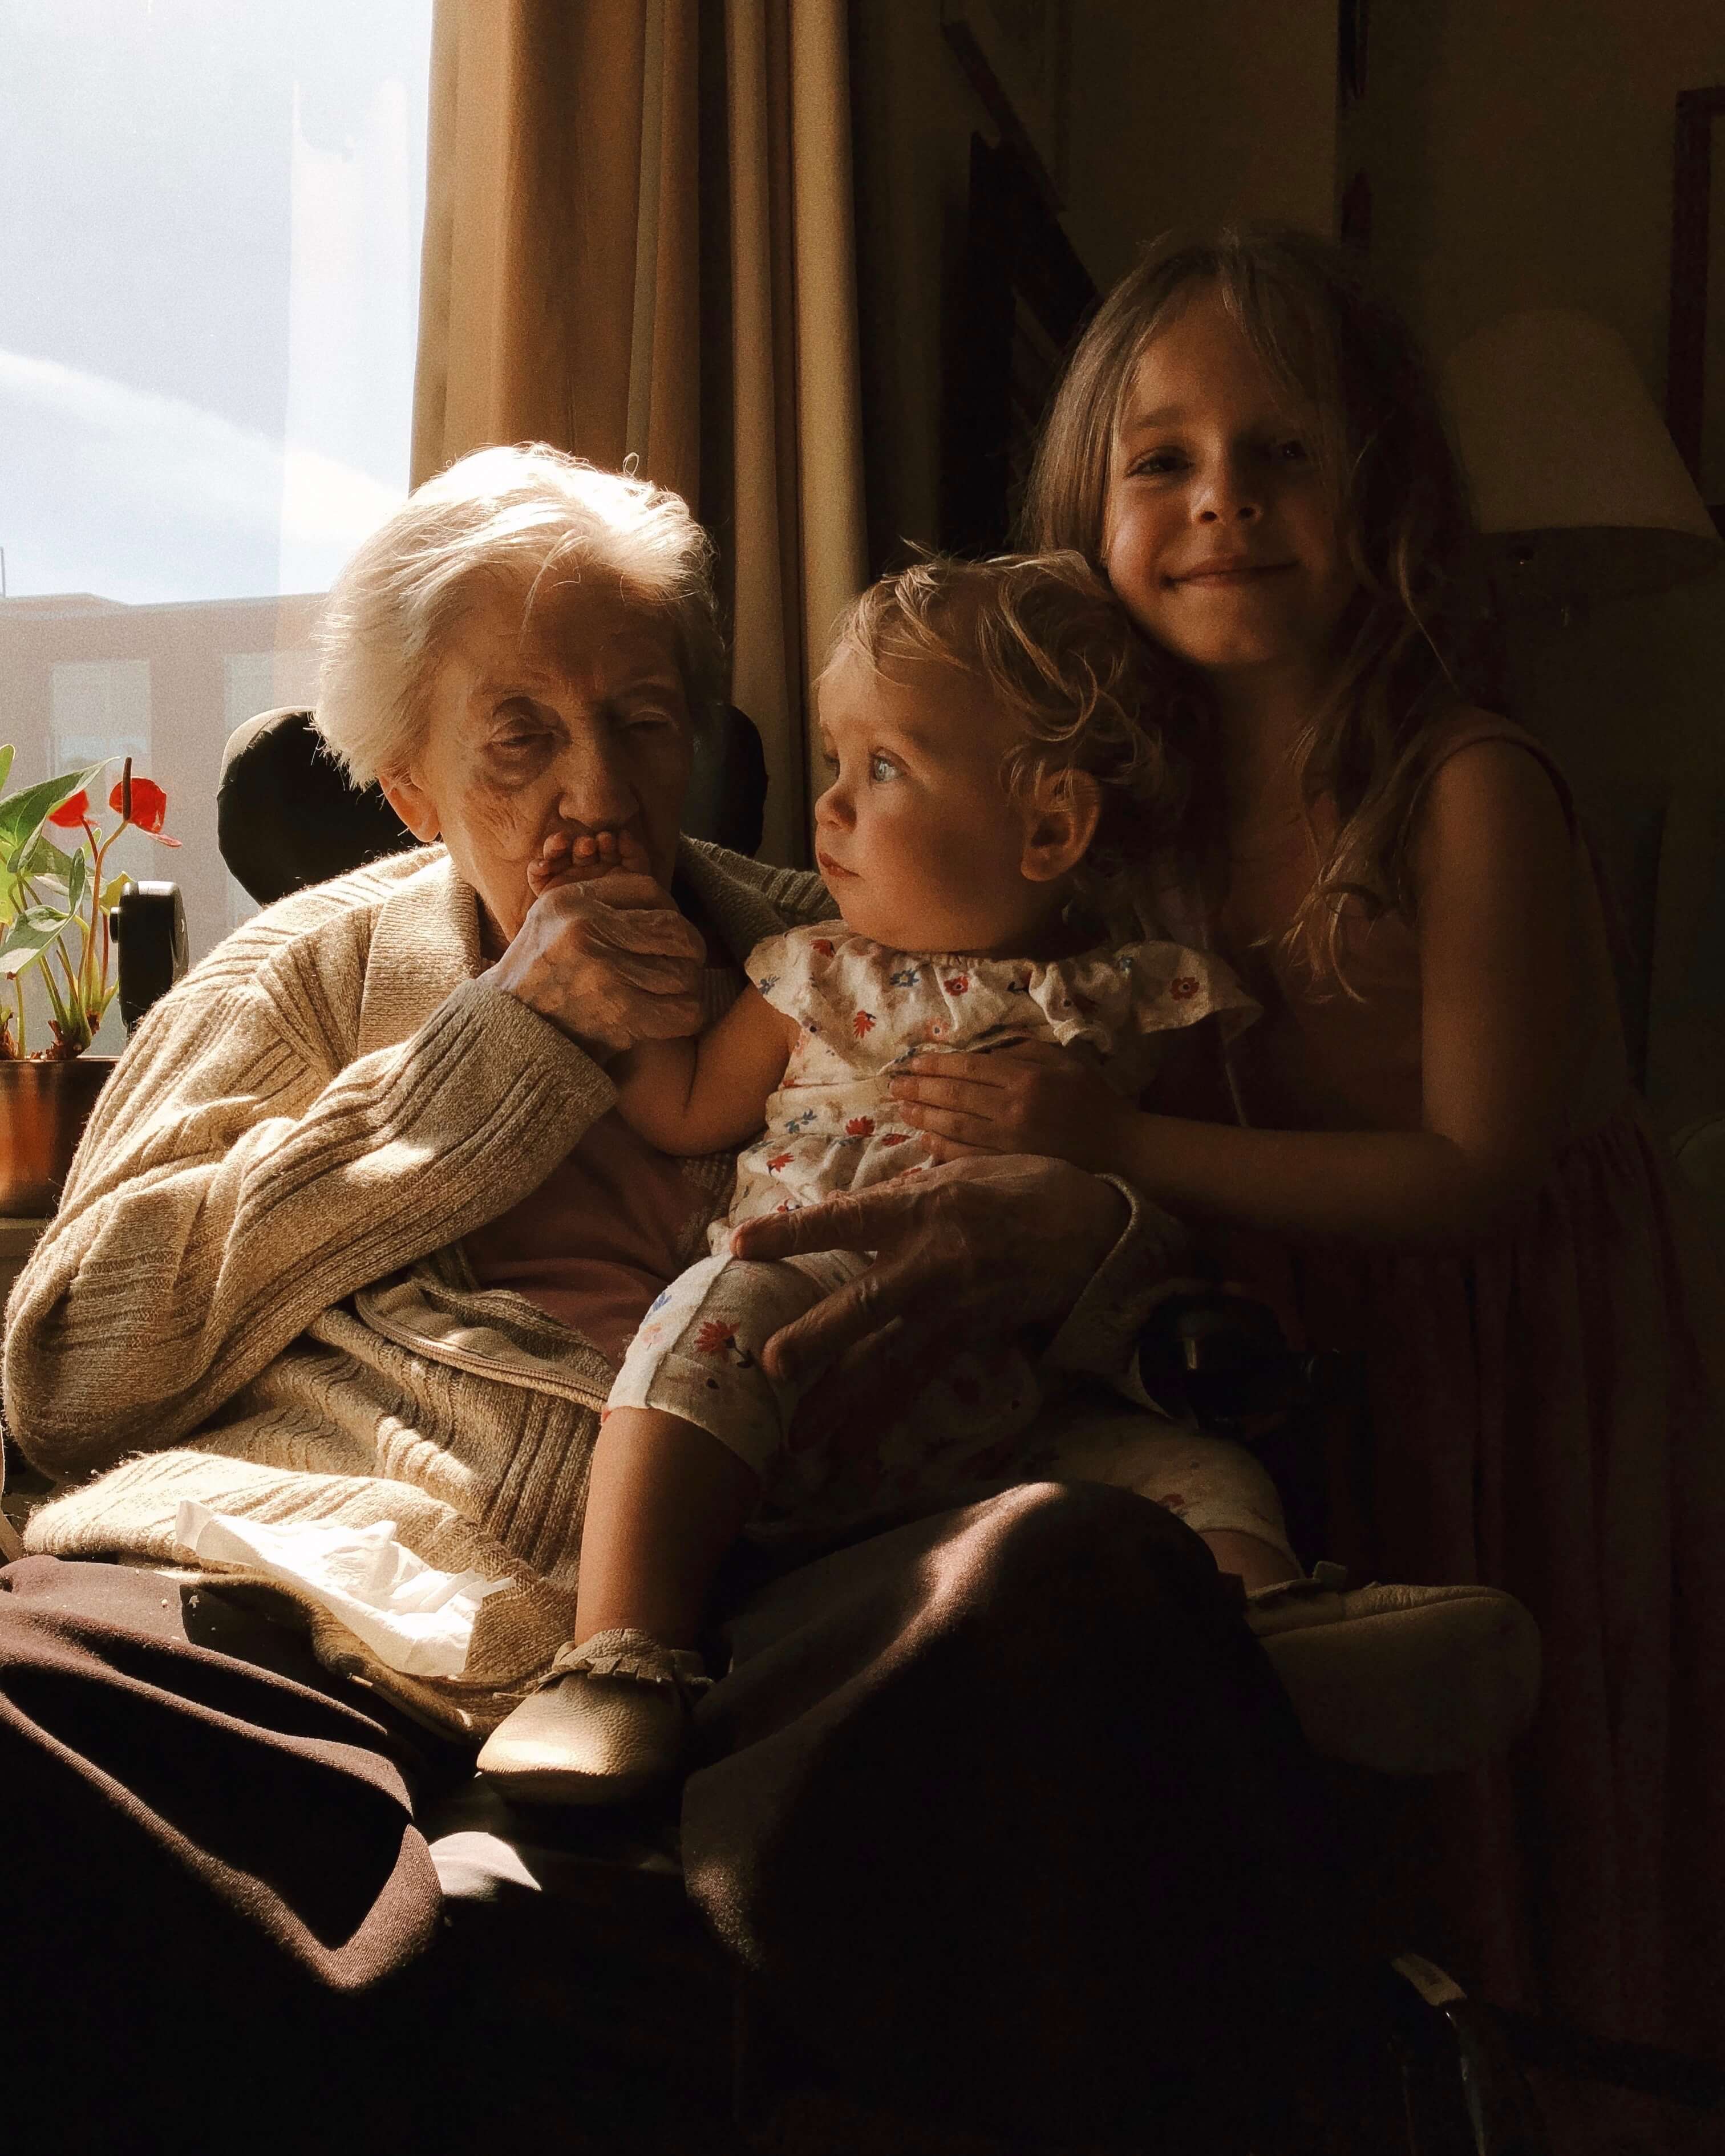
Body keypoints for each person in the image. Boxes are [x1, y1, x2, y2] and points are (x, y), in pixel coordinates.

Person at [0, 443, 1356, 2143]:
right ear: (410, 782)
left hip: (767, 1603)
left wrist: (1074, 1235)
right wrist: (494, 1049)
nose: (599, 786)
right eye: (521, 732)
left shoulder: (860, 951)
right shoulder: (310, 974)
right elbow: (68, 1367)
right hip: (315, 1572)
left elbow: (1139, 1238)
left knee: (1073, 1578)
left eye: (644, 720)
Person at [883, 226, 1725, 2058]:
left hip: (1504, 1354)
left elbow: (1476, 1170)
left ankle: (1559, 2082)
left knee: (1516, 1778)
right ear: (1091, 509)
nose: (1222, 504)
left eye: (1283, 453)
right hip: (1269, 1355)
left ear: (1386, 491)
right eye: (1162, 460)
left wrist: (1119, 1139)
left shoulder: (1465, 786)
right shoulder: (1109, 820)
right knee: (1314, 1806)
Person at [477, 551, 1284, 1801]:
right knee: (696, 1323)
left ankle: (1290, 1652)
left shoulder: (1141, 997)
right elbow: (684, 1107)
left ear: (1051, 826)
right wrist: (593, 960)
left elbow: (1195, 1214)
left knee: (1207, 1477)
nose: (831, 808)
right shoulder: (812, 971)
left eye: (885, 769)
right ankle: (618, 1659)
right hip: (796, 1352)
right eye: (836, 765)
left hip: (1028, 1399)